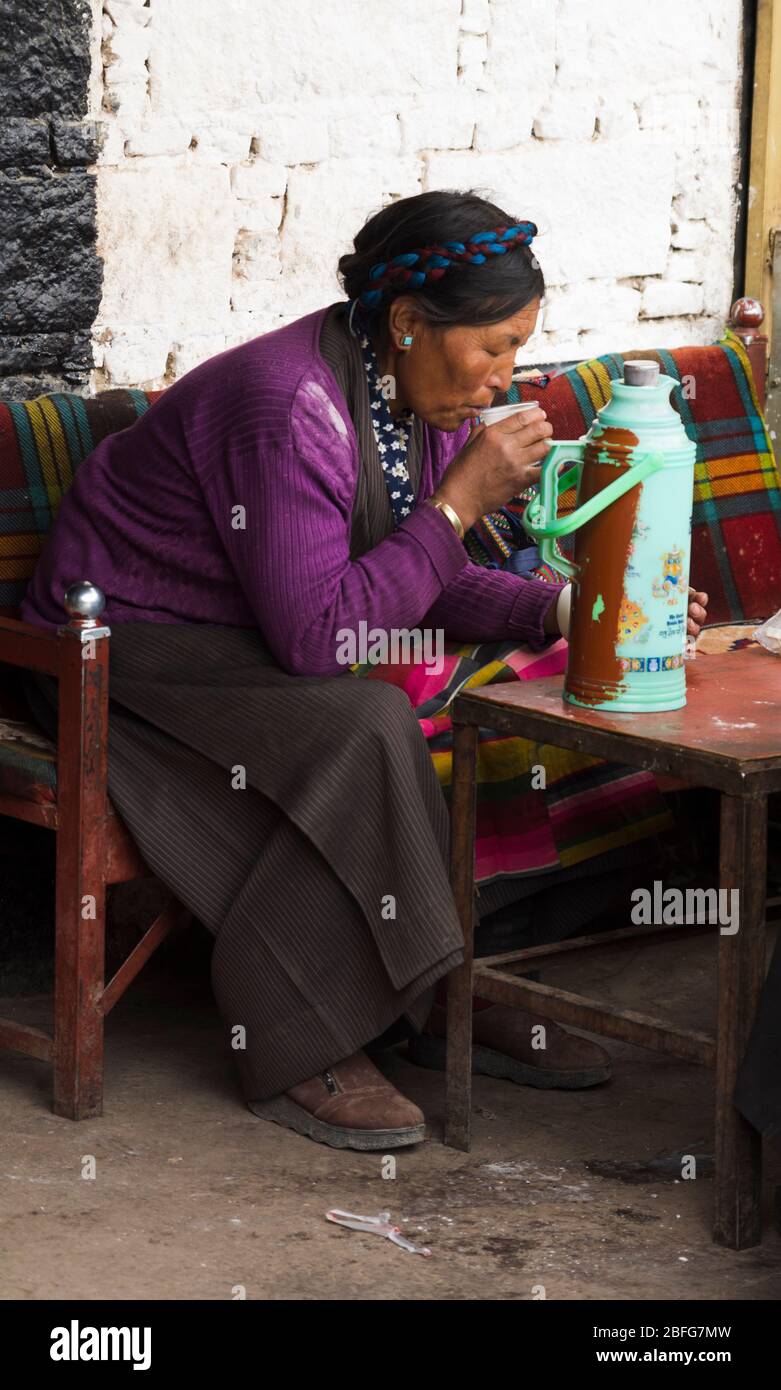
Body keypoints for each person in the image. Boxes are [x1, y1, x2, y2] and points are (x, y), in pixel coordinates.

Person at [20, 190, 708, 1151]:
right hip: (123, 651)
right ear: (407, 322)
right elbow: (319, 639)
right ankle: (301, 1038)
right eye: (495, 347)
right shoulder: (286, 404)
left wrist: (569, 611)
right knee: (365, 724)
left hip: (248, 634)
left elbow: (410, 580)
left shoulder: (398, 392)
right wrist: (460, 500)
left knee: (463, 688)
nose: (507, 377)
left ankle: (428, 998)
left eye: (519, 347)